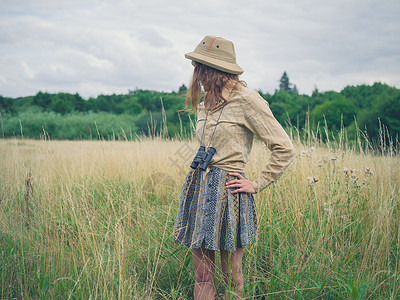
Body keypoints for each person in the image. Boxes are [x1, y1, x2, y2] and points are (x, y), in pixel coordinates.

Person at [172, 35, 295, 299]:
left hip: (229, 191)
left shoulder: (248, 100)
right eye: (196, 66)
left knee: (231, 277)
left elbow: (284, 148)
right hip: (199, 186)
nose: (196, 74)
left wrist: (257, 183)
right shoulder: (206, 102)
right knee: (203, 274)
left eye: (200, 67)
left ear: (215, 70)